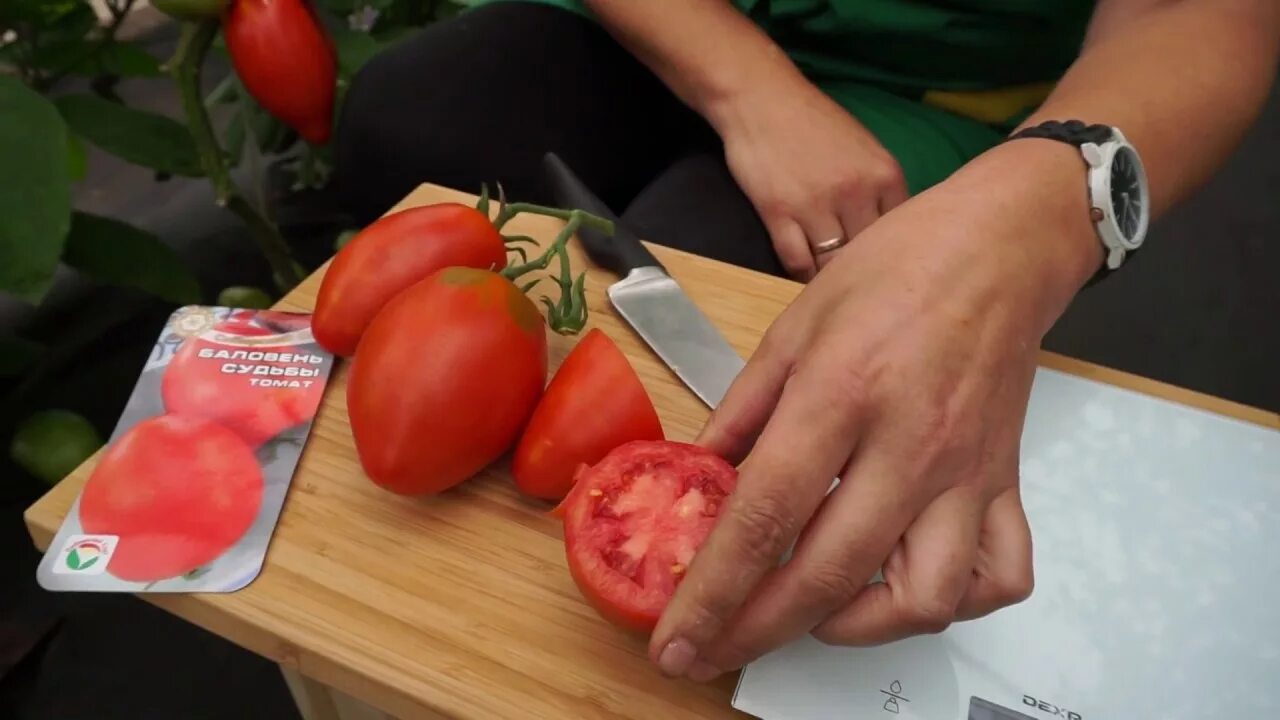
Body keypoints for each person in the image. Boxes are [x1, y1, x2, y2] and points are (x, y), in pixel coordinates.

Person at [333, 0, 1280, 684]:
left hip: (943, 106)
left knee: (703, 256)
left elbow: (1202, 15)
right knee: (409, 120)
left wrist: (1027, 221)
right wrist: (752, 92)